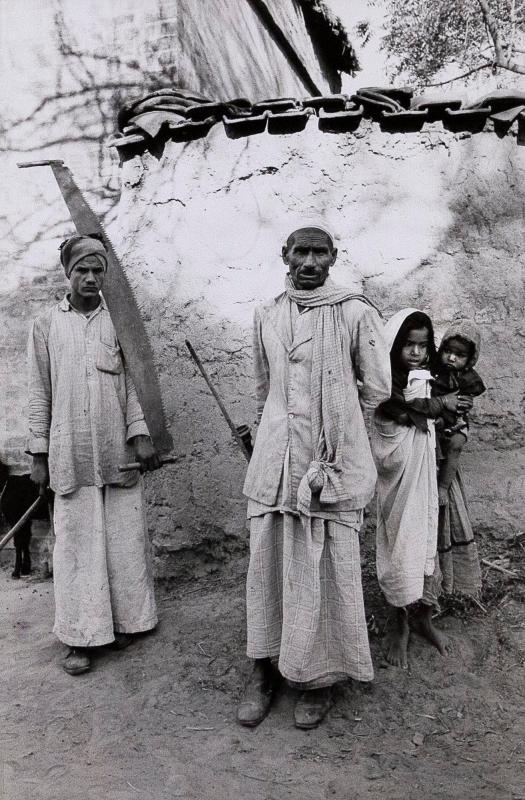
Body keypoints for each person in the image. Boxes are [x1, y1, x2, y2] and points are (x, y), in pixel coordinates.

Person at [238, 224, 391, 729]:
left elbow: (378, 389)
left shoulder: (354, 312)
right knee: (270, 562)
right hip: (276, 461)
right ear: (284, 254)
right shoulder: (266, 313)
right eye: (300, 251)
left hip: (331, 460)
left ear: (333, 256)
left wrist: (336, 429)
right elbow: (264, 391)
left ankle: (319, 676)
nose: (309, 261)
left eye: (319, 252)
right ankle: (264, 669)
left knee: (324, 564)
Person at [28, 233, 161, 675]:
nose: (90, 277)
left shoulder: (118, 322)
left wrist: (140, 434)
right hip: (70, 452)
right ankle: (81, 637)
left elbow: (135, 385)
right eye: (82, 269)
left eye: (98, 269)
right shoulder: (46, 325)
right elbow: (39, 393)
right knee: (78, 546)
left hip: (116, 449)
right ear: (67, 272)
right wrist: (39, 454)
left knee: (123, 541)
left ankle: (128, 621)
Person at [371, 310, 472, 669]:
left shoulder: (434, 378)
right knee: (399, 540)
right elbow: (401, 413)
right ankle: (398, 619)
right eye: (408, 345)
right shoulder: (383, 381)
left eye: (422, 345)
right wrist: (437, 406)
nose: (415, 353)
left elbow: (450, 411)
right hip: (397, 472)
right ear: (394, 347)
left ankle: (423, 616)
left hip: (430, 469)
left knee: (431, 536)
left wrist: (451, 412)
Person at [431, 321, 486, 597]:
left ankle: (444, 486)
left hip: (455, 425)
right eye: (448, 351)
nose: (452, 358)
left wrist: (463, 402)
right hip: (436, 425)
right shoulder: (434, 371)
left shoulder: (468, 377)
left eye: (460, 355)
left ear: (469, 359)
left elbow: (469, 398)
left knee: (456, 443)